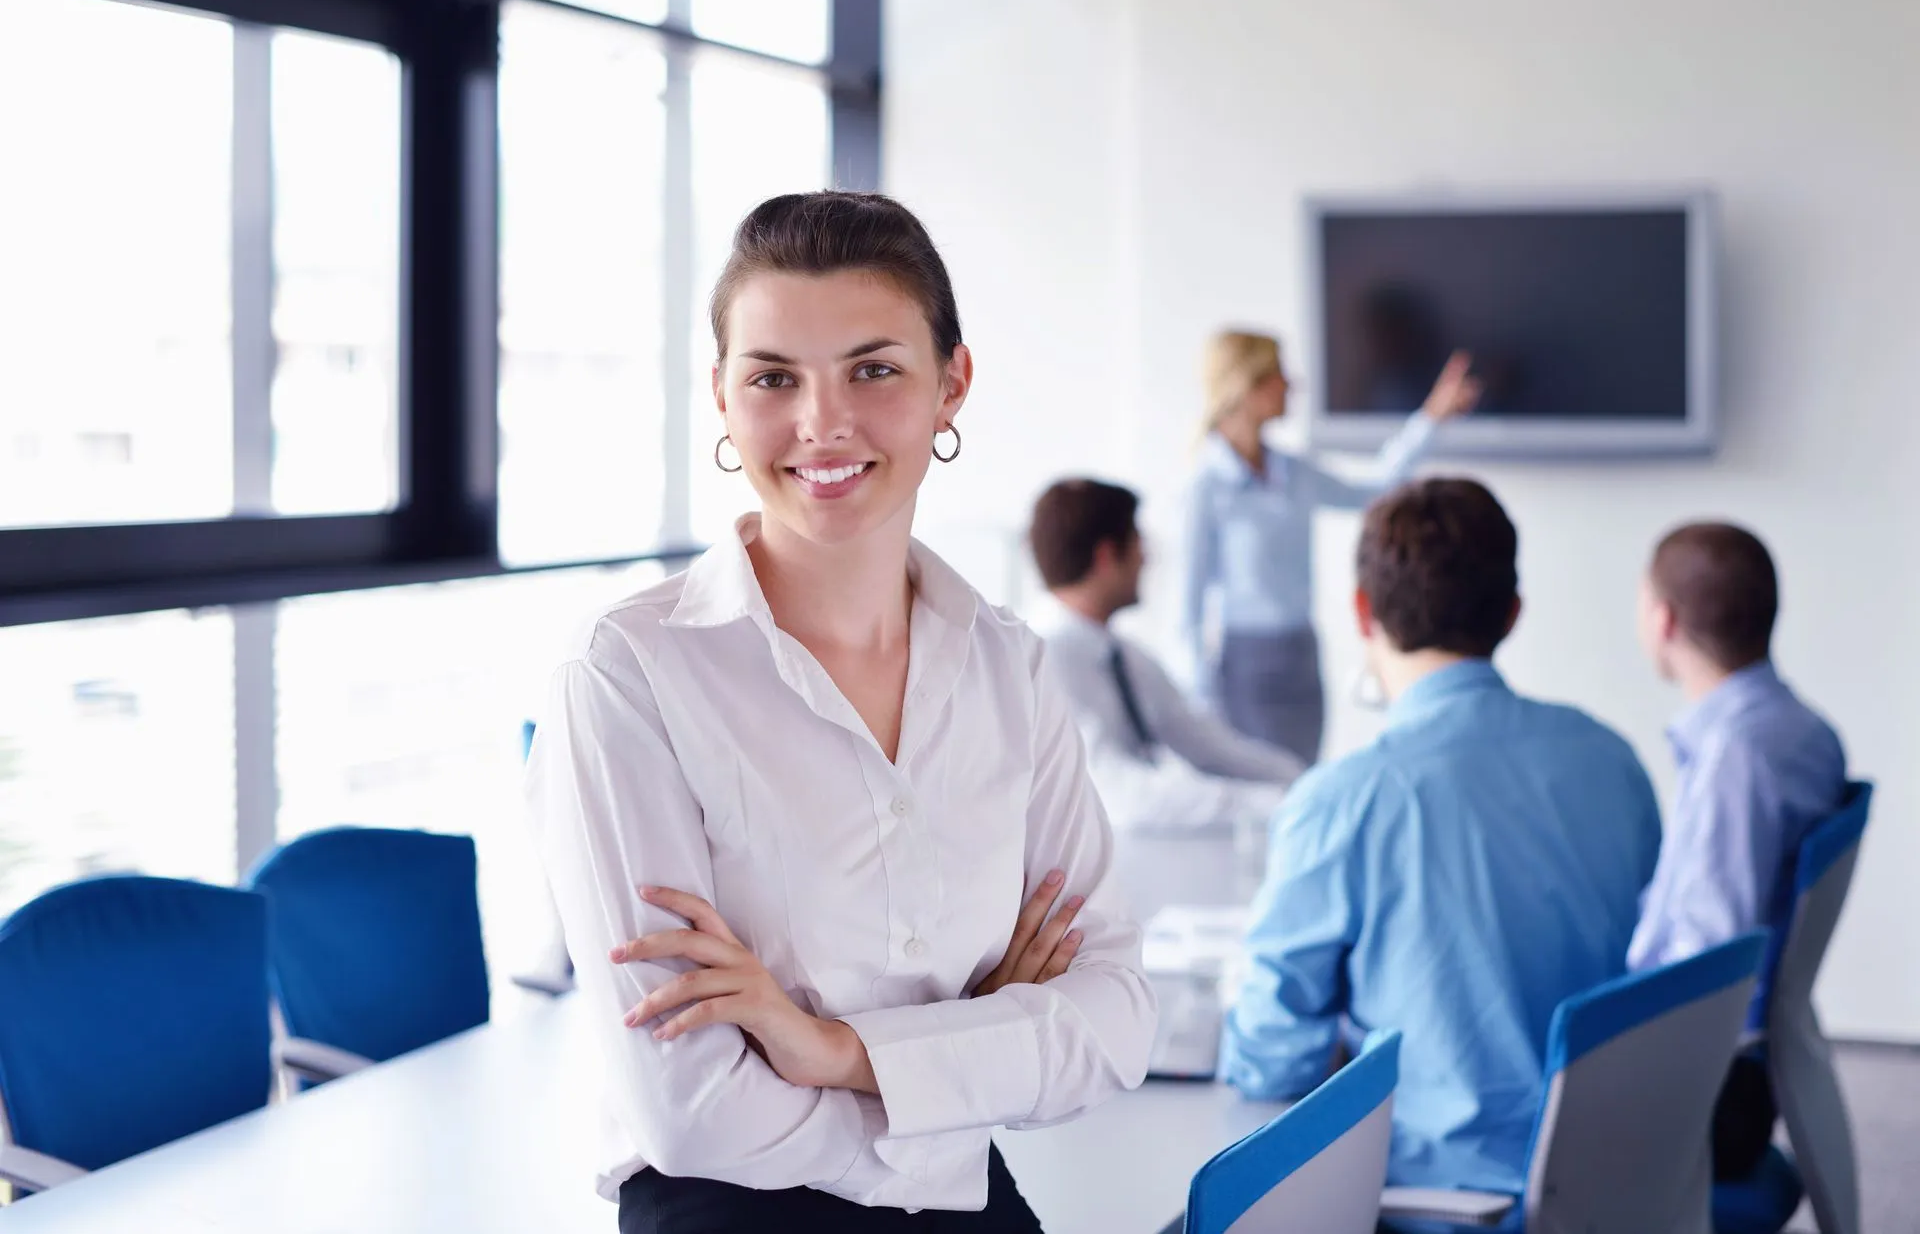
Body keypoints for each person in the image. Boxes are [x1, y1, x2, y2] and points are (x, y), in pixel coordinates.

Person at [526, 192, 1155, 1233]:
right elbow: (689, 1111)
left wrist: (836, 1050)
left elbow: (1117, 1017)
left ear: (951, 383)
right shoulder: (628, 674)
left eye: (873, 369)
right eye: (774, 377)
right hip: (733, 1214)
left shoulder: (1007, 667)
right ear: (721, 397)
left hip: (972, 1207)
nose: (822, 423)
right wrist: (965, 1058)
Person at [1217, 477, 1662, 1196]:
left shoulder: (1340, 801)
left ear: (1363, 612)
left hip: (1446, 1202)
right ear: (1512, 613)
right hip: (1607, 1180)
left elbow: (1273, 1063)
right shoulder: (1611, 760)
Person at [1627, 521, 1847, 1180]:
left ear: (1663, 620)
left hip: (1703, 1095)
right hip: (1739, 1069)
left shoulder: (1735, 757)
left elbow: (1705, 957)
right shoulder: (1801, 729)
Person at [1183, 329, 1482, 763]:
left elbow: (1375, 489)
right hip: (1246, 673)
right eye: (1279, 374)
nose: (1291, 385)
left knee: (1305, 778)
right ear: (1248, 385)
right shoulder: (1207, 487)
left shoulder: (1291, 472)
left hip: (1301, 655)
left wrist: (1430, 420)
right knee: (1265, 786)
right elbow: (1188, 614)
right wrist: (1202, 710)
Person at [1026, 477, 1303, 833]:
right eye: (1138, 543)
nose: (1146, 558)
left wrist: (1304, 783)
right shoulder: (1041, 659)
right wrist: (1273, 804)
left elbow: (1207, 744)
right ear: (1107, 556)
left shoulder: (1121, 656)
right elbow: (1119, 796)